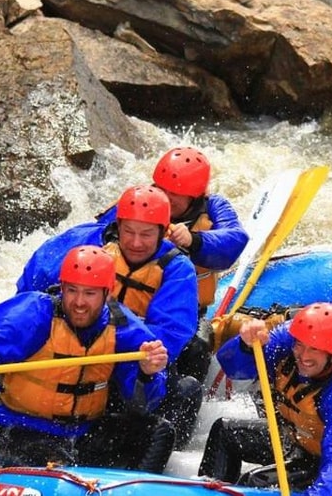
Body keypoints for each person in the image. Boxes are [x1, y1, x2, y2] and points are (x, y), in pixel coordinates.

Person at [16, 146, 249, 382]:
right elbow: (93, 236)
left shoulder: (213, 208)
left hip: (181, 310)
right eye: (162, 189)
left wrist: (196, 241)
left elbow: (234, 241)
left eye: (175, 194)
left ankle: (180, 396)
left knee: (196, 347)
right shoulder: (141, 202)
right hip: (112, 308)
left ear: (195, 195)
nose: (166, 198)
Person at [0, 245, 174, 471]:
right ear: (62, 287)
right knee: (59, 464)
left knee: (158, 432)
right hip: (22, 430)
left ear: (107, 292)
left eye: (89, 293)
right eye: (72, 290)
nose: (79, 302)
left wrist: (148, 373)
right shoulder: (35, 313)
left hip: (83, 432)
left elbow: (144, 403)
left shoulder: (123, 327)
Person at [18, 184, 205, 448]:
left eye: (146, 234)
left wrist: (117, 354)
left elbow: (168, 336)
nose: (136, 242)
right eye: (129, 231)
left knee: (184, 389)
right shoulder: (88, 243)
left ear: (163, 232)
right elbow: (31, 283)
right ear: (118, 226)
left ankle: (162, 451)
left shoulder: (177, 268)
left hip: (127, 355)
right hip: (76, 342)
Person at [198, 303, 332, 496]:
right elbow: (236, 370)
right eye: (300, 345)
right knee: (225, 431)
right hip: (302, 439)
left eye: (314, 349)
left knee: (254, 482)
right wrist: (245, 346)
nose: (303, 356)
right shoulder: (290, 338)